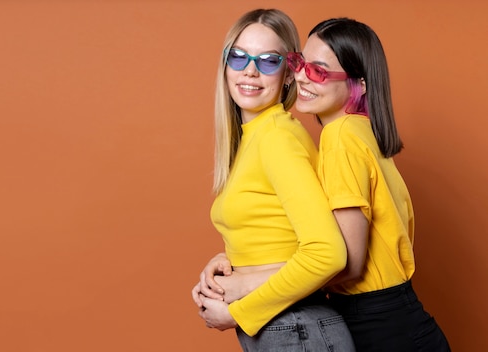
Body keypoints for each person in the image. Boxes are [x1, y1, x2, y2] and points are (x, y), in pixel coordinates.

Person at [199, 17, 452, 351]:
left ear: (358, 84)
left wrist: (243, 289)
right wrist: (234, 266)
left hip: (381, 323)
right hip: (391, 316)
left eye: (317, 71)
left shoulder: (338, 138)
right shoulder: (357, 131)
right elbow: (307, 240)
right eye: (301, 63)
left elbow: (341, 259)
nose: (302, 76)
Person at [191, 9, 355, 351]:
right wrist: (224, 265)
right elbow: (276, 232)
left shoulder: (278, 136)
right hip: (286, 328)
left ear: (289, 74)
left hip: (296, 326)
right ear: (225, 64)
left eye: (268, 61)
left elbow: (328, 253)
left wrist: (239, 312)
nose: (250, 71)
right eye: (238, 57)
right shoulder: (255, 136)